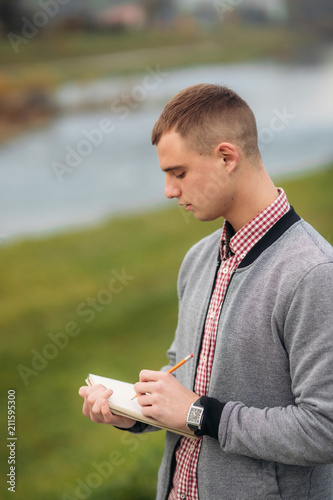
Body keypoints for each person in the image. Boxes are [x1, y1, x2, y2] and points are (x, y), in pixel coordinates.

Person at [79, 84, 333, 499]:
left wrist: (201, 414)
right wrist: (134, 410)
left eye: (178, 173)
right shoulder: (197, 260)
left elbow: (325, 429)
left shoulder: (314, 274)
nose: (169, 191)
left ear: (226, 157)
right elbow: (183, 383)